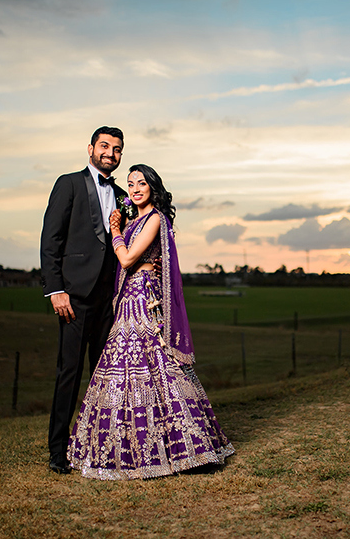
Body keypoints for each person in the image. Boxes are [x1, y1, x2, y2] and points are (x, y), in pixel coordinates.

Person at [68, 164, 234, 480]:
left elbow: (128, 259)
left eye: (141, 183)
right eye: (130, 184)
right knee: (124, 370)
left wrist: (115, 230)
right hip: (129, 297)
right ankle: (131, 448)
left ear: (152, 186)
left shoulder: (155, 217)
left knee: (158, 365)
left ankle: (189, 448)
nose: (135, 189)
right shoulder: (136, 219)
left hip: (144, 299)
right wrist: (122, 227)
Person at [40, 126, 128, 474]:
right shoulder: (69, 183)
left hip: (110, 301)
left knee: (104, 376)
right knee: (69, 374)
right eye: (105, 146)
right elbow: (51, 239)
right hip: (74, 298)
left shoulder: (123, 194)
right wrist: (55, 289)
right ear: (90, 148)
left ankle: (100, 446)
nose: (111, 153)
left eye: (117, 149)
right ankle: (58, 452)